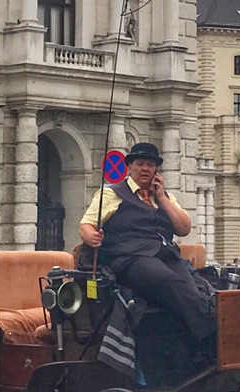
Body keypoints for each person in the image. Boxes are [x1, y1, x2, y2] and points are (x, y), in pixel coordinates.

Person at [79, 142, 215, 346]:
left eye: (150, 165)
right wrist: (91, 236)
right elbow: (86, 225)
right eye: (140, 164)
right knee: (169, 281)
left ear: (156, 171)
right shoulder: (112, 194)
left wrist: (161, 198)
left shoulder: (165, 198)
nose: (145, 169)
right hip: (129, 258)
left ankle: (192, 345)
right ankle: (212, 339)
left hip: (166, 254)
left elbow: (184, 228)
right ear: (130, 167)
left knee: (194, 293)